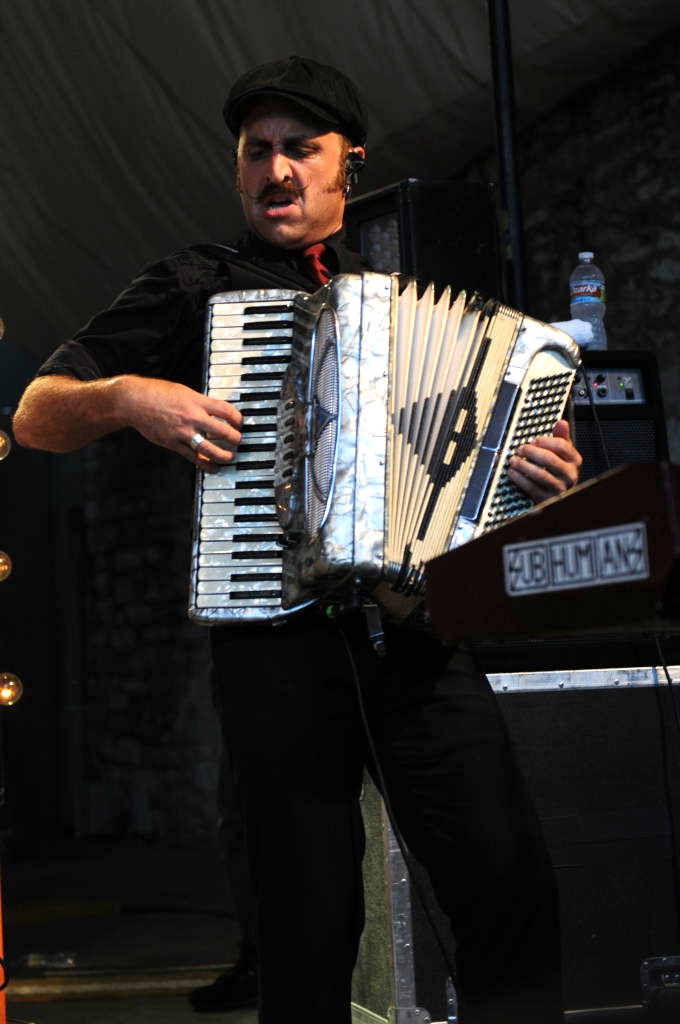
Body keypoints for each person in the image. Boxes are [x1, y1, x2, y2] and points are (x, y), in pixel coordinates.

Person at [14, 56, 582, 1023]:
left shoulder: (407, 303)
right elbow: (36, 412)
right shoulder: (194, 284)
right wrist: (126, 396)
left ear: (347, 163)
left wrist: (536, 474)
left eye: (300, 149)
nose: (276, 171)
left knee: (510, 886)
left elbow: (474, 490)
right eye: (257, 151)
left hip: (415, 639)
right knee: (307, 933)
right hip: (274, 646)